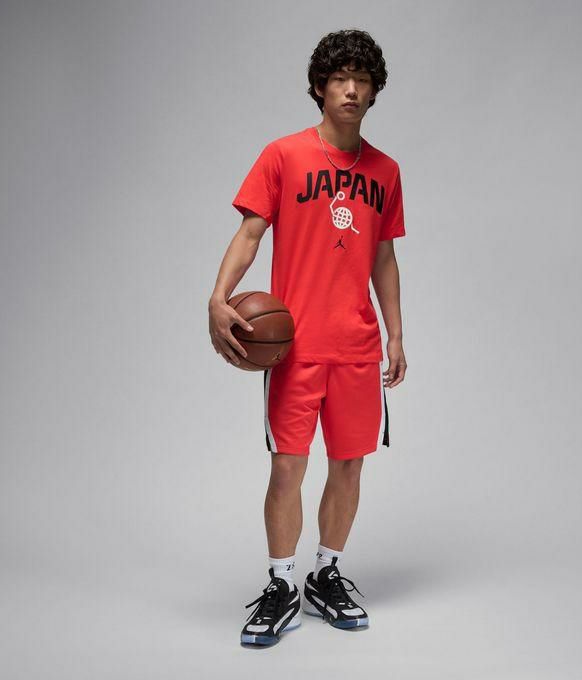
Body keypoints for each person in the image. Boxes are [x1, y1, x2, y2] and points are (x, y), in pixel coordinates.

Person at [207, 28, 407, 646]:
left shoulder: (385, 171)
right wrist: (217, 298)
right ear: (320, 86)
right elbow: (250, 234)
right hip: (295, 348)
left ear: (373, 91)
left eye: (362, 80)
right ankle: (281, 584)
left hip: (357, 348)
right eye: (339, 78)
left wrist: (396, 335)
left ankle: (325, 574)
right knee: (287, 469)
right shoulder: (283, 155)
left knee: (349, 466)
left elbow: (384, 258)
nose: (351, 89)